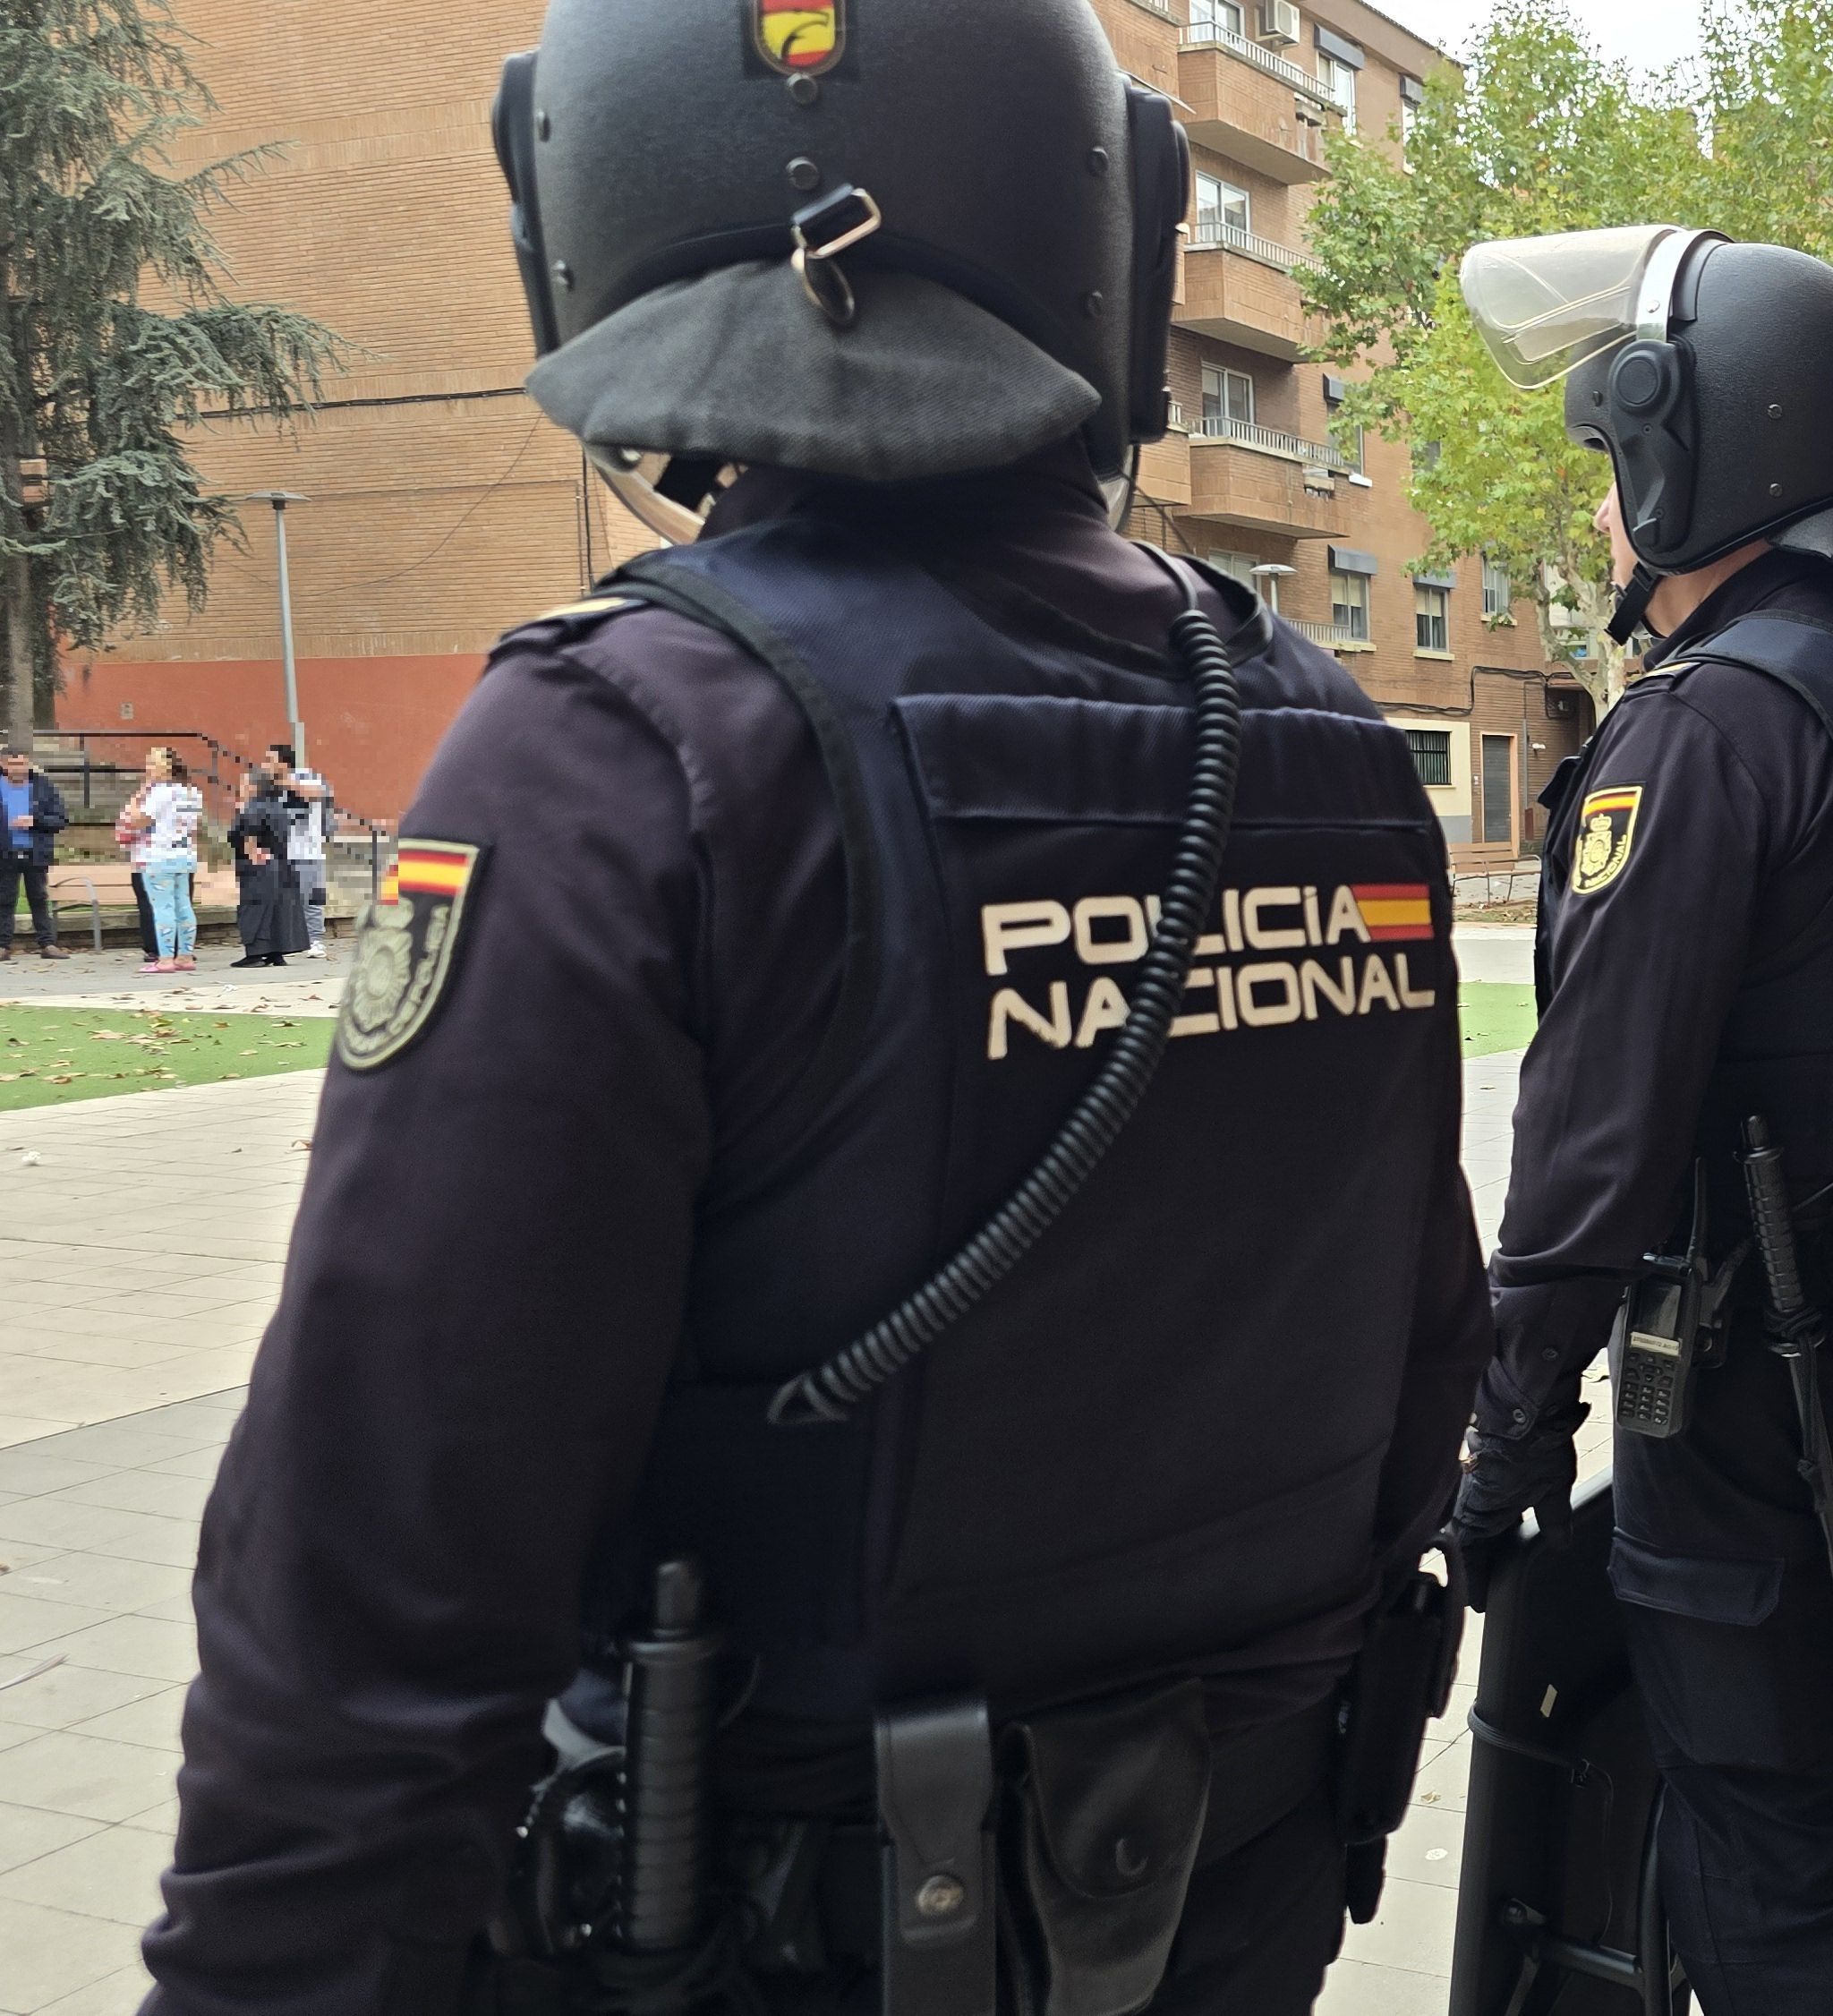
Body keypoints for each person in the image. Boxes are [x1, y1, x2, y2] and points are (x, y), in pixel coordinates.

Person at [144, 6, 1491, 2014]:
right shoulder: (1324, 739)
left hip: (787, 1934)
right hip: (1231, 1888)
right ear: (1101, 221)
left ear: (589, 215)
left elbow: (382, 1572)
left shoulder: (617, 744)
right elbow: (1416, 1347)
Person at [1445, 226, 1833, 2016]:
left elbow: (1589, 1137)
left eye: (1617, 466)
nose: (1606, 517)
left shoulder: (1707, 729)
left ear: (1695, 452)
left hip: (1746, 1399)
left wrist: (1503, 1427)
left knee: (1767, 1855)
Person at [124, 747, 200, 975]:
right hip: (184, 853)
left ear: (162, 767)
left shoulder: (160, 793)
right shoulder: (192, 792)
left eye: (151, 763)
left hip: (158, 854)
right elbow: (194, 827)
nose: (147, 768)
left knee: (162, 907)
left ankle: (165, 958)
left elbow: (138, 821)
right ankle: (185, 955)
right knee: (183, 904)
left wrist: (135, 802)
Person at [225, 766, 307, 968]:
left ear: (253, 787)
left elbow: (249, 834)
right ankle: (276, 952)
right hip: (280, 864)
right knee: (278, 908)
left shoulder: (253, 807)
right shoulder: (278, 807)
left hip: (259, 866)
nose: (240, 788)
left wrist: (252, 853)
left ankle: (256, 954)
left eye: (243, 784)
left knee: (255, 908)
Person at [0, 747, 72, 958]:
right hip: (5, 853)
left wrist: (35, 821)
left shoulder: (42, 786)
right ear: (3, 765)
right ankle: (3, 946)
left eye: (22, 763)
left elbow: (60, 819)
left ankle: (47, 944)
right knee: (4, 899)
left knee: (39, 897)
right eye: (13, 764)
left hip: (35, 852)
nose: (18, 769)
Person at [268, 742, 332, 955]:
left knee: (310, 898)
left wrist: (285, 780)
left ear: (283, 762)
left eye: (271, 760)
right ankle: (288, 941)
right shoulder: (272, 786)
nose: (267, 765)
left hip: (307, 850)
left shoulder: (306, 776)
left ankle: (316, 940)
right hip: (281, 850)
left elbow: (315, 794)